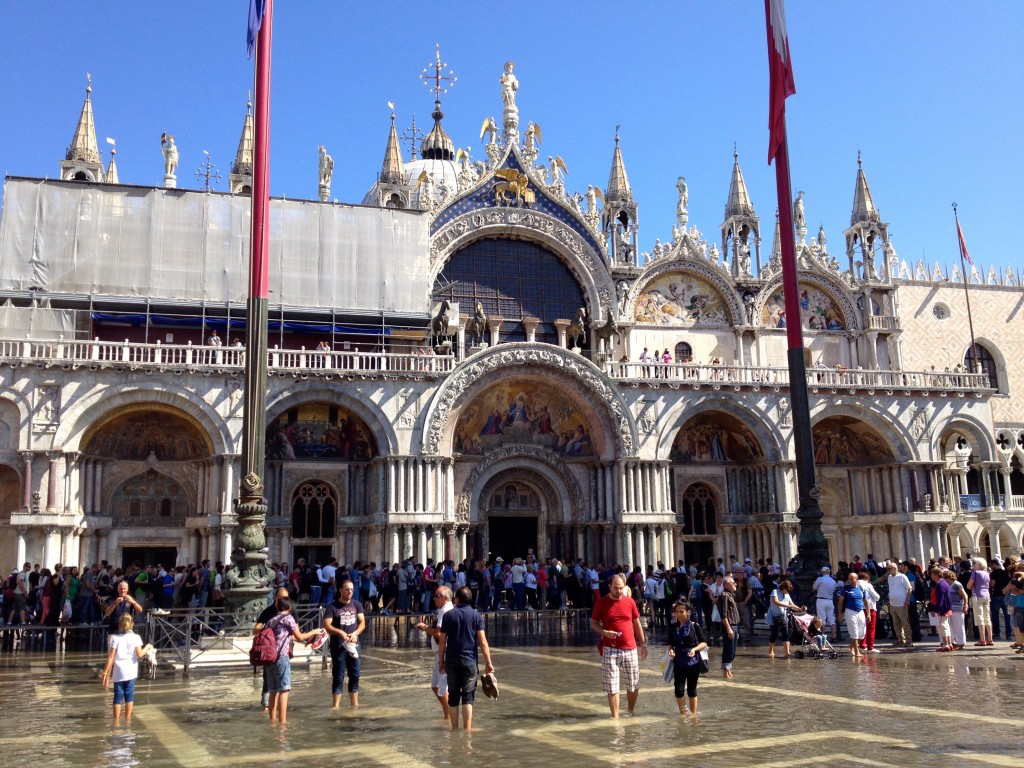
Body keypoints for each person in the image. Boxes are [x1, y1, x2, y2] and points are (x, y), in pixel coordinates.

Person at [591, 574, 648, 718]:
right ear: (609, 586)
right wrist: (605, 632)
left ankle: (630, 710)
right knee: (612, 685)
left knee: (633, 683)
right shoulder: (602, 603)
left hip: (630, 647)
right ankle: (615, 717)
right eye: (616, 588)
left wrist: (643, 644)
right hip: (610, 649)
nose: (619, 591)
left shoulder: (630, 602)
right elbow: (593, 624)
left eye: (621, 588)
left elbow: (636, 623)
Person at [438, 586, 494, 731]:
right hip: (469, 661)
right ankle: (467, 730)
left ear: (456, 599)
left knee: (454, 697)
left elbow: (442, 641)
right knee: (468, 697)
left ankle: (454, 730)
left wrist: (441, 662)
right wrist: (488, 663)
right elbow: (482, 641)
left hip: (451, 660)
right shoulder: (476, 616)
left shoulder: (448, 615)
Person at [264, 597, 320, 725]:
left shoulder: (270, 621)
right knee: (284, 690)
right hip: (281, 657)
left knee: (272, 691)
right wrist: (314, 631)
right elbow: (299, 637)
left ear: (277, 607)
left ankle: (272, 721)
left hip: (269, 659)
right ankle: (282, 722)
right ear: (289, 608)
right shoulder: (288, 618)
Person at [101, 613, 154, 727]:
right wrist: (148, 646)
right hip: (130, 671)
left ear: (120, 625)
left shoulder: (115, 638)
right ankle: (128, 720)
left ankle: (116, 722)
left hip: (118, 672)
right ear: (132, 625)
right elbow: (140, 654)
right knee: (129, 695)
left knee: (118, 696)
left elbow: (111, 657)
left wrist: (105, 671)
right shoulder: (136, 638)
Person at [324, 579, 365, 709]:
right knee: (338, 676)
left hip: (354, 645)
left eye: (352, 589)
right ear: (341, 590)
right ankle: (336, 706)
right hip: (339, 646)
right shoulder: (332, 607)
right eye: (347, 589)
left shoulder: (357, 605)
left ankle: (355, 704)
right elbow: (326, 625)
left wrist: (355, 634)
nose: (350, 592)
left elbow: (362, 622)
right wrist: (340, 632)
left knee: (355, 675)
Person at [415, 585, 453, 721]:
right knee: (436, 687)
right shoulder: (443, 610)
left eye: (437, 596)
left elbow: (439, 633)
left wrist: (425, 627)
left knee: (441, 687)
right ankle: (447, 715)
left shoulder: (445, 610)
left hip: (444, 652)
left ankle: (450, 716)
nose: (434, 598)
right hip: (441, 652)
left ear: (446, 598)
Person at [667, 599, 708, 719]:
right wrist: (671, 649)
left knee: (691, 690)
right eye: (676, 612)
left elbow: (704, 643)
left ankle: (693, 715)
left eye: (681, 611)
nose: (678, 614)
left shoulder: (694, 626)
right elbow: (670, 643)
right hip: (678, 661)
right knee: (678, 690)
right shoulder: (673, 627)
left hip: (692, 662)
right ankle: (683, 713)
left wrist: (695, 649)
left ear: (688, 612)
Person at [766, 580, 803, 658]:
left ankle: (787, 652)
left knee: (786, 634)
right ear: (783, 588)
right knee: (774, 634)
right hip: (774, 617)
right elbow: (776, 602)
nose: (788, 592)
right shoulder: (775, 591)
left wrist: (800, 609)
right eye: (787, 590)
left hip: (783, 617)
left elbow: (792, 605)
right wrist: (787, 606)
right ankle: (770, 650)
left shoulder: (787, 595)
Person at [837, 572, 868, 658]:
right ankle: (856, 651)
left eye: (852, 579)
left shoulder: (861, 588)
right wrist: (839, 613)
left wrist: (868, 613)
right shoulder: (846, 588)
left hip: (860, 611)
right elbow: (840, 601)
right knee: (854, 632)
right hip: (850, 611)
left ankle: (852, 645)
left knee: (862, 633)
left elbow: (866, 601)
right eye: (849, 578)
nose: (850, 580)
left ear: (856, 579)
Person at [966, 557, 993, 647]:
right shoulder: (987, 573)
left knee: (979, 617)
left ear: (979, 564)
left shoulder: (975, 573)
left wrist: (972, 586)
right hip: (987, 595)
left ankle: (982, 639)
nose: (973, 565)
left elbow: (969, 586)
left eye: (975, 564)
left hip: (977, 595)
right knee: (987, 617)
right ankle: (990, 638)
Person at [886, 562, 913, 648]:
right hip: (892, 603)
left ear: (894, 568)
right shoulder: (889, 577)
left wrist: (907, 599)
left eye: (889, 569)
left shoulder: (902, 577)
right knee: (896, 623)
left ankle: (908, 640)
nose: (888, 570)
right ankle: (900, 639)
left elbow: (909, 588)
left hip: (901, 603)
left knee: (904, 623)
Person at [927, 566, 954, 653]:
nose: (931, 576)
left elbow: (940, 599)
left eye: (932, 574)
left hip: (941, 609)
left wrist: (936, 610)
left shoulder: (940, 584)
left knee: (942, 627)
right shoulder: (943, 583)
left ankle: (946, 645)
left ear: (935, 575)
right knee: (946, 626)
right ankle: (949, 644)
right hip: (945, 608)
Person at [718, 576, 740, 678]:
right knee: (728, 649)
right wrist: (729, 628)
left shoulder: (731, 595)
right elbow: (724, 614)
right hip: (730, 626)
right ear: (727, 585)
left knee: (733, 650)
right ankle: (725, 672)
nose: (735, 584)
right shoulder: (725, 595)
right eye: (733, 582)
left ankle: (729, 669)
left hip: (735, 626)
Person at [857, 570, 881, 653]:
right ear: (866, 578)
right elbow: (876, 597)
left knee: (861, 626)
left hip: (859, 608)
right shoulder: (867, 585)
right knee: (871, 627)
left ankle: (862, 645)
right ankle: (870, 646)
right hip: (870, 607)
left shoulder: (855, 584)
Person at [812, 567, 839, 641]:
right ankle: (834, 637)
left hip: (821, 600)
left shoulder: (820, 579)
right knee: (831, 619)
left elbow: (814, 588)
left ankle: (823, 636)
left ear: (822, 572)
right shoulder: (833, 581)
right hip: (830, 601)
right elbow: (834, 590)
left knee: (822, 619)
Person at [945, 570, 969, 650]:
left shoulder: (956, 585)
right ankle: (953, 641)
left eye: (945, 578)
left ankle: (961, 642)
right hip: (951, 608)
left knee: (959, 625)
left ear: (949, 577)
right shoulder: (949, 585)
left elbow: (965, 595)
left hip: (958, 608)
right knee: (951, 626)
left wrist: (965, 605)